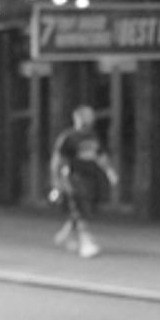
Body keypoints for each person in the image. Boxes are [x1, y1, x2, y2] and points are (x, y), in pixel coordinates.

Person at [50, 104, 119, 259]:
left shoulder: (93, 137)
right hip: (73, 176)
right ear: (77, 118)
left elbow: (101, 156)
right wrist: (56, 182)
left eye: (90, 116)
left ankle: (65, 235)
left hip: (90, 177)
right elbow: (57, 160)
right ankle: (85, 242)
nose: (87, 120)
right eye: (84, 117)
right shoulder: (68, 138)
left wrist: (110, 171)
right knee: (80, 207)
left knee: (84, 207)